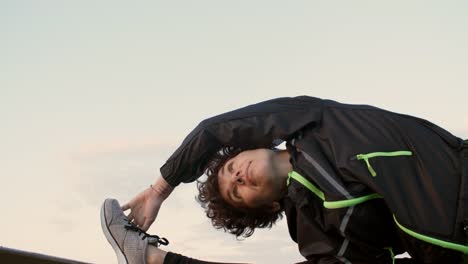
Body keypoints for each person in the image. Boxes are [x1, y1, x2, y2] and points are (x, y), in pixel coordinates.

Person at [101, 96, 468, 264]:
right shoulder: (316, 233)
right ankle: (151, 260)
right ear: (268, 206)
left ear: (254, 145)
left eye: (233, 169)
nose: (238, 179)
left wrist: (160, 188)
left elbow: (213, 131)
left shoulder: (317, 122)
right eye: (237, 194)